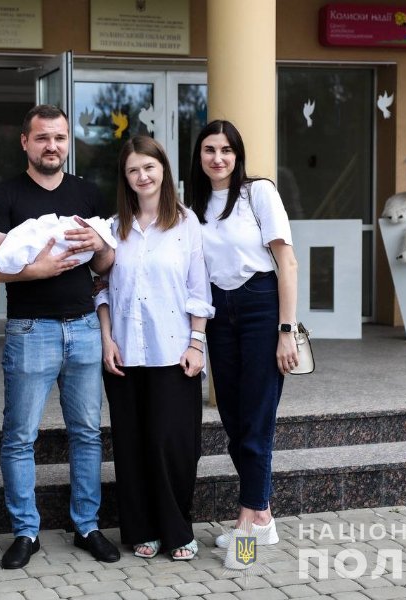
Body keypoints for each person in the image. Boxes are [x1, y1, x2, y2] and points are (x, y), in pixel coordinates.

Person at [0, 104, 120, 569]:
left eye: (59, 137)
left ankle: (87, 526)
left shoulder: (89, 194)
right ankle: (25, 532)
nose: (51, 146)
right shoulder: (4, 196)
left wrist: (101, 247)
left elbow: (105, 266)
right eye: (42, 138)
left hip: (84, 327)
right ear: (25, 142)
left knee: (87, 434)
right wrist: (36, 271)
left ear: (67, 142)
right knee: (20, 436)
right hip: (30, 330)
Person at [96, 136, 214, 560]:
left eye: (148, 167)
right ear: (125, 178)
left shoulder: (186, 223)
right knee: (131, 445)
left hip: (173, 352)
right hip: (125, 353)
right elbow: (101, 289)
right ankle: (141, 529)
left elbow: (198, 289)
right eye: (133, 170)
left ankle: (177, 529)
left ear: (163, 168)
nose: (142, 176)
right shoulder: (114, 228)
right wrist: (107, 339)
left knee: (174, 445)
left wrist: (196, 344)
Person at [186, 120, 298, 566]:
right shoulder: (193, 206)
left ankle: (247, 531)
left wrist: (286, 330)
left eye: (227, 150)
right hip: (218, 313)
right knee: (234, 422)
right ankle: (263, 516)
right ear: (199, 155)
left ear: (238, 155)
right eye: (210, 149)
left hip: (260, 309)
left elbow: (287, 262)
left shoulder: (258, 193)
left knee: (256, 421)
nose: (218, 158)